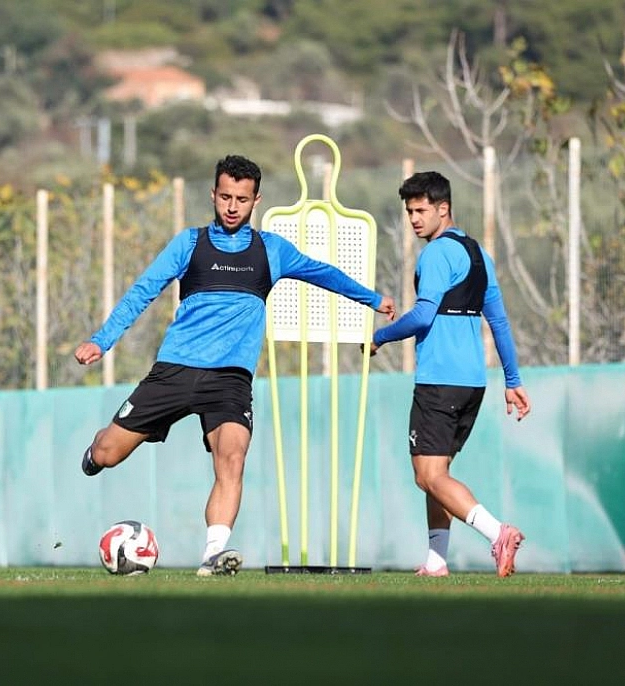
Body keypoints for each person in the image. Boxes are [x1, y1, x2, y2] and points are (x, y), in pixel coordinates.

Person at [75, 154, 395, 577]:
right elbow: (142, 291)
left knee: (232, 458)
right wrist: (101, 340)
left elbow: (323, 273)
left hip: (230, 380)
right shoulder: (189, 244)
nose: (231, 207)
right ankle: (95, 452)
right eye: (225, 197)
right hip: (175, 370)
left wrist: (372, 299)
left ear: (255, 201)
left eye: (241, 199)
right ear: (213, 194)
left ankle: (213, 554)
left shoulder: (271, 250)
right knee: (108, 453)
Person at [370, 171, 531, 578]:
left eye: (421, 210)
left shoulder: (437, 254)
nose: (414, 219)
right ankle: (436, 560)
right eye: (409, 211)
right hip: (472, 382)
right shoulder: (479, 255)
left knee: (427, 475)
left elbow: (424, 315)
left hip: (439, 380)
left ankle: (498, 533)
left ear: (444, 208)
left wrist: (380, 337)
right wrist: (512, 381)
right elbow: (499, 322)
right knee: (437, 475)